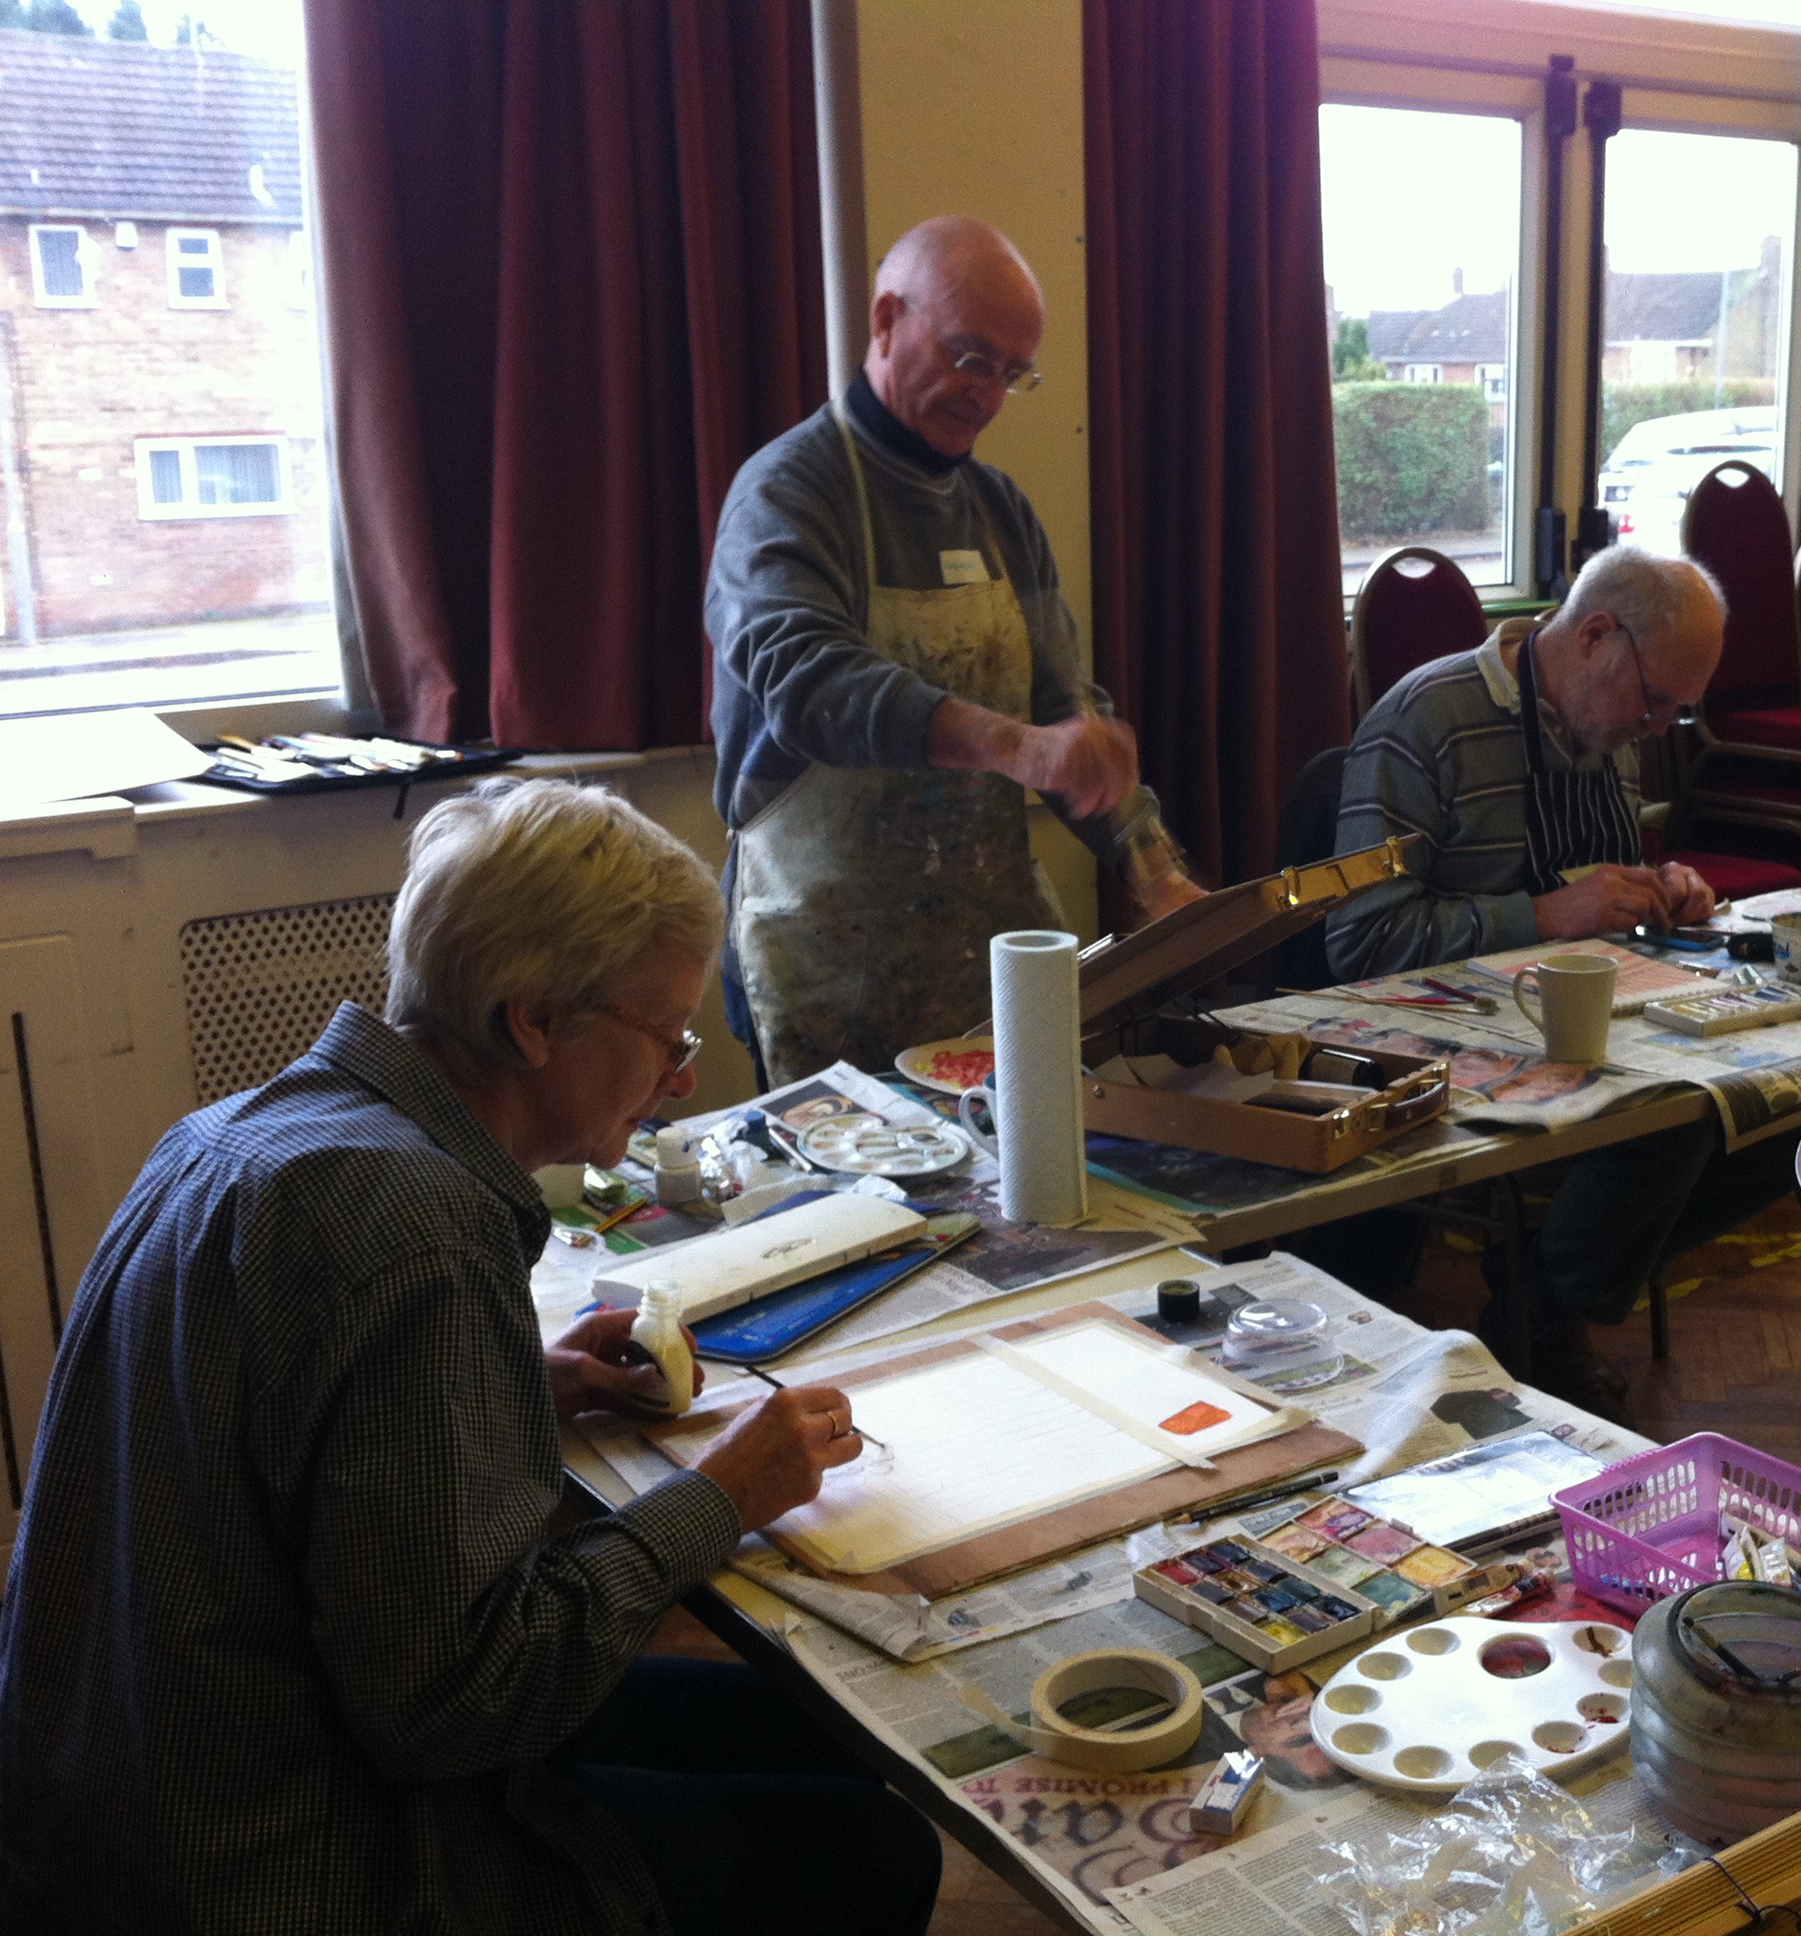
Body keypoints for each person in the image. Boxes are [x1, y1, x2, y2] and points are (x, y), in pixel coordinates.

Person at [0, 779, 942, 1936]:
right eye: (668, 1035)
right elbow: (462, 1702)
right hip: (273, 1865)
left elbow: (276, 1436)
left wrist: (517, 1386)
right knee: (878, 1851)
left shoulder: (235, 1134)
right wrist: (723, 1497)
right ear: (533, 1020)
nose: (684, 1078)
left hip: (115, 1804)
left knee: (812, 1730)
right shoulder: (423, 1231)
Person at [706, 214, 1200, 1086]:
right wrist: (1017, 748)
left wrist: (1155, 872)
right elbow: (809, 680)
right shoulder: (787, 493)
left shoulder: (1002, 512)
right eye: (971, 358)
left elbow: (1064, 710)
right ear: (886, 320)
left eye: (1013, 374)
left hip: (987, 960)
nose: (988, 395)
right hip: (824, 968)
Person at [1324, 546, 1798, 1420]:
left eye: (1678, 712)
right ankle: (1551, 1303)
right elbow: (1360, 941)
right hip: (1448, 1027)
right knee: (1676, 1113)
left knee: (1788, 1097)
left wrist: (1663, 890)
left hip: (1585, 1008)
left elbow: (1602, 887)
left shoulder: (1607, 725)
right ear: (1594, 637)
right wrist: (1541, 915)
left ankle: (1544, 1278)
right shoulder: (1425, 723)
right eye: (1656, 703)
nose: (1658, 729)